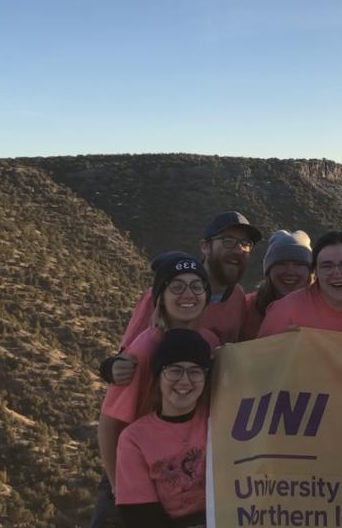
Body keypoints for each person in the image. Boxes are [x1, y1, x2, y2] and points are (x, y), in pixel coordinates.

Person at [94, 254, 219, 527]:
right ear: (160, 296)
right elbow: (108, 424)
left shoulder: (210, 342)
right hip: (138, 465)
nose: (188, 294)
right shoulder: (145, 348)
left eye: (197, 286)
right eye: (176, 287)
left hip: (190, 472)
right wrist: (119, 486)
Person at [105, 211, 262, 385]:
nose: (238, 250)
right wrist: (112, 368)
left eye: (245, 244)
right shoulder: (165, 296)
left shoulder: (238, 297)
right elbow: (126, 356)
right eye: (228, 241)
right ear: (205, 246)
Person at [115, 328, 212, 528]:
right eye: (175, 370)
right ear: (158, 377)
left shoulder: (220, 420)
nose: (185, 380)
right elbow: (139, 517)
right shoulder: (134, 439)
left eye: (195, 371)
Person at [257, 231, 342, 337]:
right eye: (327, 266)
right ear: (316, 271)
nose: (337, 273)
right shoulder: (285, 311)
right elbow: (260, 361)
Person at [240, 229, 313, 341]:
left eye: (299, 264)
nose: (290, 271)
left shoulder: (323, 307)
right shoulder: (246, 307)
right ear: (269, 270)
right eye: (282, 264)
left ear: (309, 272)